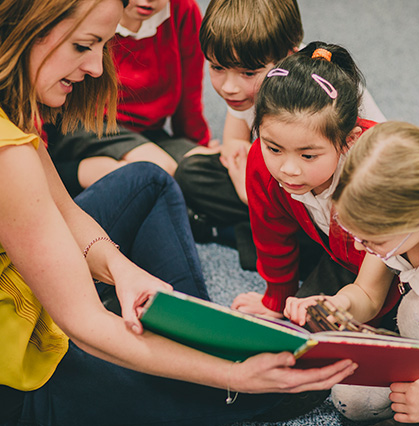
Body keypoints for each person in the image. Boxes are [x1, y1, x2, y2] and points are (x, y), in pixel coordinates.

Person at [0, 1, 360, 425]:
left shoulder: (14, 119)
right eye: (85, 45)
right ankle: (202, 360)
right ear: (30, 27)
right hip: (24, 378)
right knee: (271, 388)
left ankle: (198, 334)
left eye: (103, 44)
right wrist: (231, 375)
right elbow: (84, 325)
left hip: (41, 297)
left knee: (150, 181)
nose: (97, 67)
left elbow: (64, 211)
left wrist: (119, 268)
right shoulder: (8, 158)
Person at [287, 121, 419, 425]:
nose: (363, 249)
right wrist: (339, 304)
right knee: (351, 399)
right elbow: (367, 293)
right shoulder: (401, 222)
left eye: (372, 240)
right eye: (357, 235)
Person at [174, 0, 386, 268]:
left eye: (248, 72)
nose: (229, 87)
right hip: (286, 181)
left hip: (336, 203)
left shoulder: (330, 95)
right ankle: (266, 234)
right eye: (217, 67)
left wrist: (253, 192)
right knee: (191, 173)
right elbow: (236, 140)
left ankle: (256, 239)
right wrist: (241, 170)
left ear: (287, 59)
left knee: (341, 256)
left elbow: (377, 181)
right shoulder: (248, 92)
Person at [231, 42, 400, 324]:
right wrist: (277, 298)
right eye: (274, 148)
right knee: (301, 321)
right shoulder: (260, 161)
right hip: (344, 260)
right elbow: (271, 236)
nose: (288, 169)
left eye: (308, 155)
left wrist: (340, 307)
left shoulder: (379, 173)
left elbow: (370, 295)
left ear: (350, 140)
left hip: (408, 271)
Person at [45, 0, 214, 198]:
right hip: (90, 124)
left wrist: (198, 144)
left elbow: (190, 93)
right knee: (160, 170)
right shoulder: (97, 10)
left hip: (149, 132)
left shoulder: (184, 11)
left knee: (209, 167)